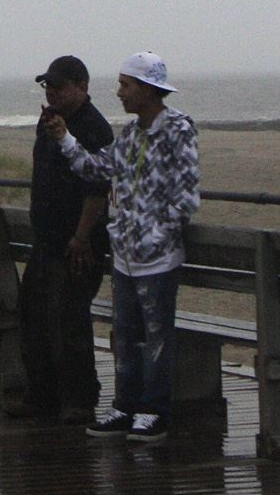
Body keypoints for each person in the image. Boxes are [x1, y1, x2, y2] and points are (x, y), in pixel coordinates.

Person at [44, 51, 201, 439]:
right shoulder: (130, 135)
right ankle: (125, 406)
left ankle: (154, 410)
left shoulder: (178, 130)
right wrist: (65, 139)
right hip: (126, 258)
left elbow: (185, 195)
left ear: (147, 90)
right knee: (126, 336)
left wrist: (156, 236)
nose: (119, 93)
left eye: (125, 86)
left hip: (157, 259)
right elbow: (95, 168)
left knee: (156, 336)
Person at [17, 54, 114, 423]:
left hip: (76, 243)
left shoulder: (93, 127)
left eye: (59, 86)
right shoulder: (49, 124)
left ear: (82, 86)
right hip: (45, 239)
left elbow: (97, 188)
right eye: (48, 86)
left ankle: (79, 399)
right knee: (35, 318)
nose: (52, 92)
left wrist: (83, 235)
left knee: (70, 321)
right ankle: (41, 395)